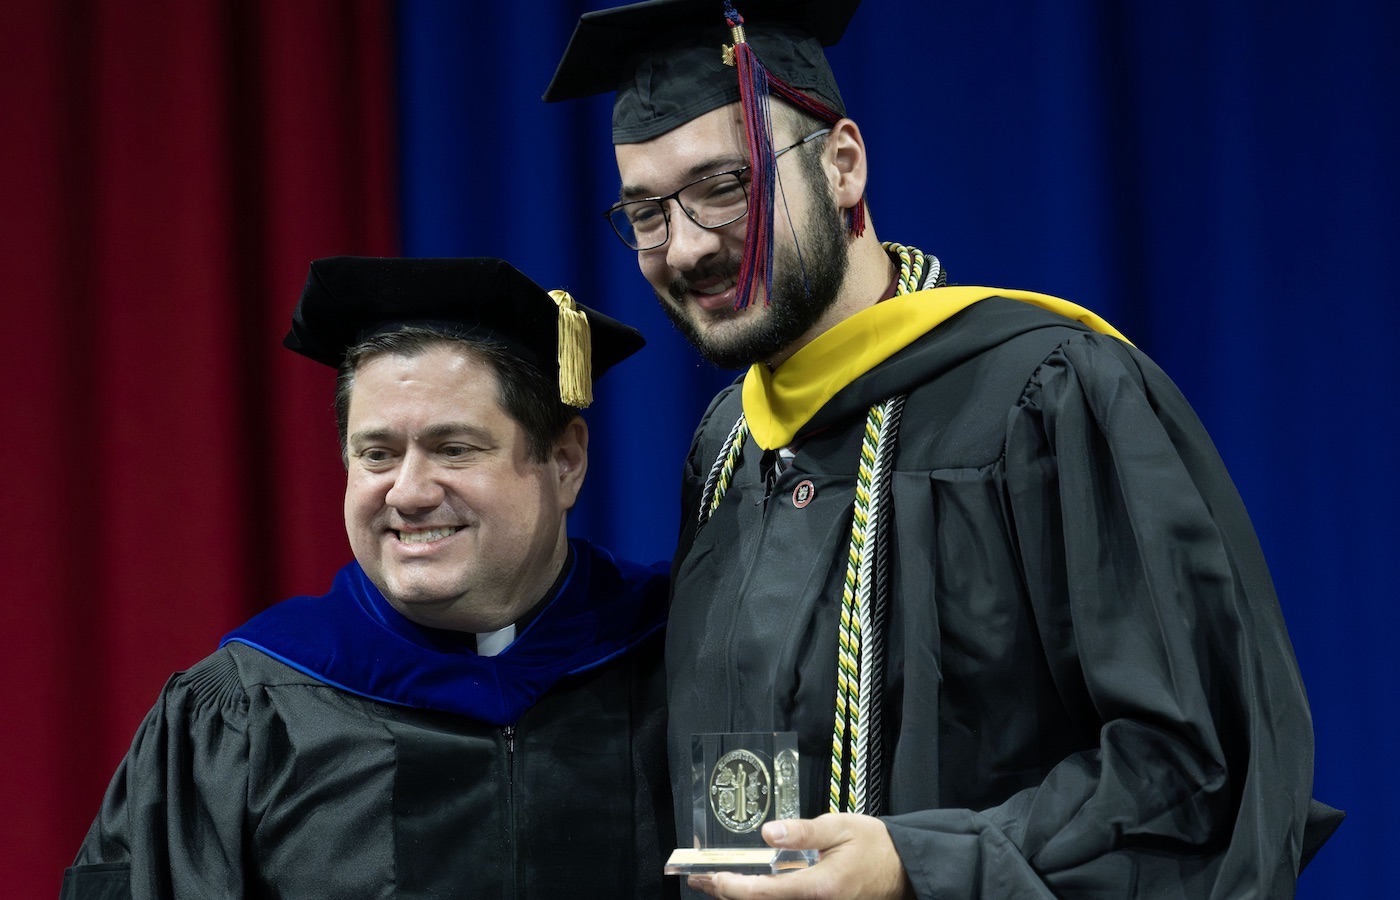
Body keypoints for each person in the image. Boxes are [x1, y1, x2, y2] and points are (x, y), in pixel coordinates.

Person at [544, 1, 1342, 897]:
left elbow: (1196, 771)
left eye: (727, 186)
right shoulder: (728, 447)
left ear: (843, 165)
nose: (684, 246)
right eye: (646, 212)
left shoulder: (1047, 395)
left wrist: (915, 865)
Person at [61, 256, 677, 899]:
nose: (408, 492)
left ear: (565, 461)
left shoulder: (672, 654)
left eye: (454, 449)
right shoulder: (248, 714)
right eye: (376, 454)